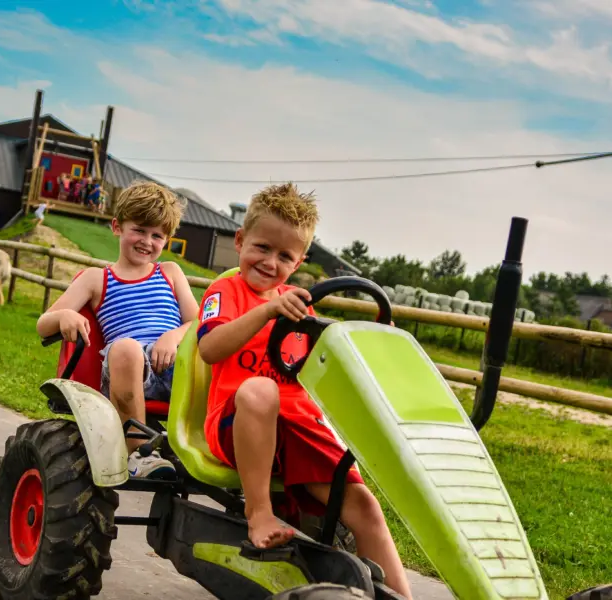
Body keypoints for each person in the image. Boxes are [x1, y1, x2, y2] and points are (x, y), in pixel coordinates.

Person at [195, 183, 413, 599]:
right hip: (238, 424)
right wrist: (265, 311)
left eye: (284, 256)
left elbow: (326, 366)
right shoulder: (227, 292)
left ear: (298, 263)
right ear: (239, 241)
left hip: (295, 428)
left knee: (364, 506)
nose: (269, 262)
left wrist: (373, 341)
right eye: (261, 247)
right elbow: (209, 348)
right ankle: (259, 511)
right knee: (259, 390)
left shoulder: (302, 308)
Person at [36, 180, 199, 478]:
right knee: (127, 348)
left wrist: (173, 336)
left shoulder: (170, 272)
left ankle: (214, 447)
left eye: (157, 235)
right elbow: (42, 325)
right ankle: (139, 453)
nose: (147, 242)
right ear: (117, 227)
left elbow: (198, 322)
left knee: (217, 355)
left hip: (176, 362)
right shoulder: (97, 279)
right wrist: (63, 318)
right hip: (129, 367)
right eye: (139, 230)